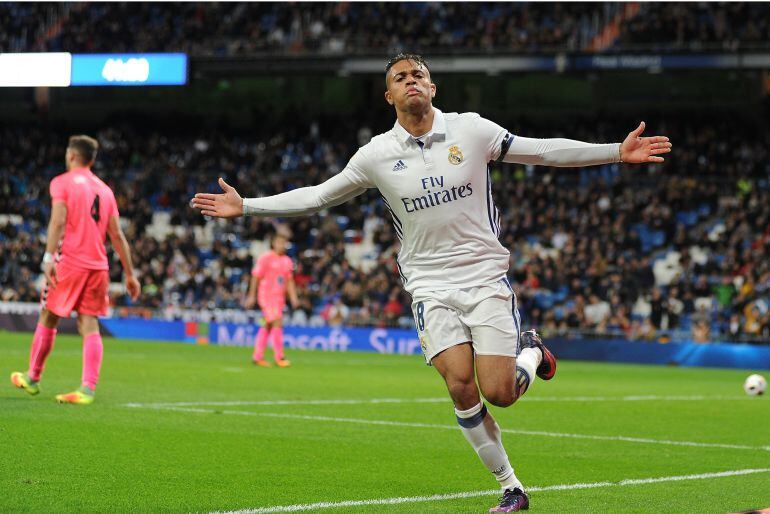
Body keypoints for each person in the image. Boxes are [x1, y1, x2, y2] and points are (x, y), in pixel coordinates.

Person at [191, 53, 672, 512]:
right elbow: (320, 195)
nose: (411, 80)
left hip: (483, 277)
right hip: (428, 286)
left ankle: (530, 352)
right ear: (388, 95)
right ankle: (512, 488)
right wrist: (248, 205)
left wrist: (615, 152)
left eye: (418, 74)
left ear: (433, 85)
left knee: (500, 391)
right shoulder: (376, 155)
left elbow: (542, 151)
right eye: (401, 77)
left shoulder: (471, 129)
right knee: (462, 388)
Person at [10, 135, 140, 405]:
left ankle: (33, 377)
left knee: (49, 316)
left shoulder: (62, 182)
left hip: (70, 261)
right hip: (98, 266)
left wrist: (48, 257)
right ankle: (87, 388)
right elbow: (117, 235)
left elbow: (58, 221)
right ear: (91, 159)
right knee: (88, 322)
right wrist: (130, 274)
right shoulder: (105, 190)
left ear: (71, 155)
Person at [245, 232, 299, 367]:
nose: (282, 246)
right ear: (273, 243)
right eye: (280, 242)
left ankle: (257, 356)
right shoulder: (266, 258)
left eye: (284, 243)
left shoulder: (287, 260)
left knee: (267, 325)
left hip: (279, 298)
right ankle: (279, 357)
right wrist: (252, 296)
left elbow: (289, 281)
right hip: (266, 296)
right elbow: (255, 276)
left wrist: (293, 297)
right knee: (277, 322)